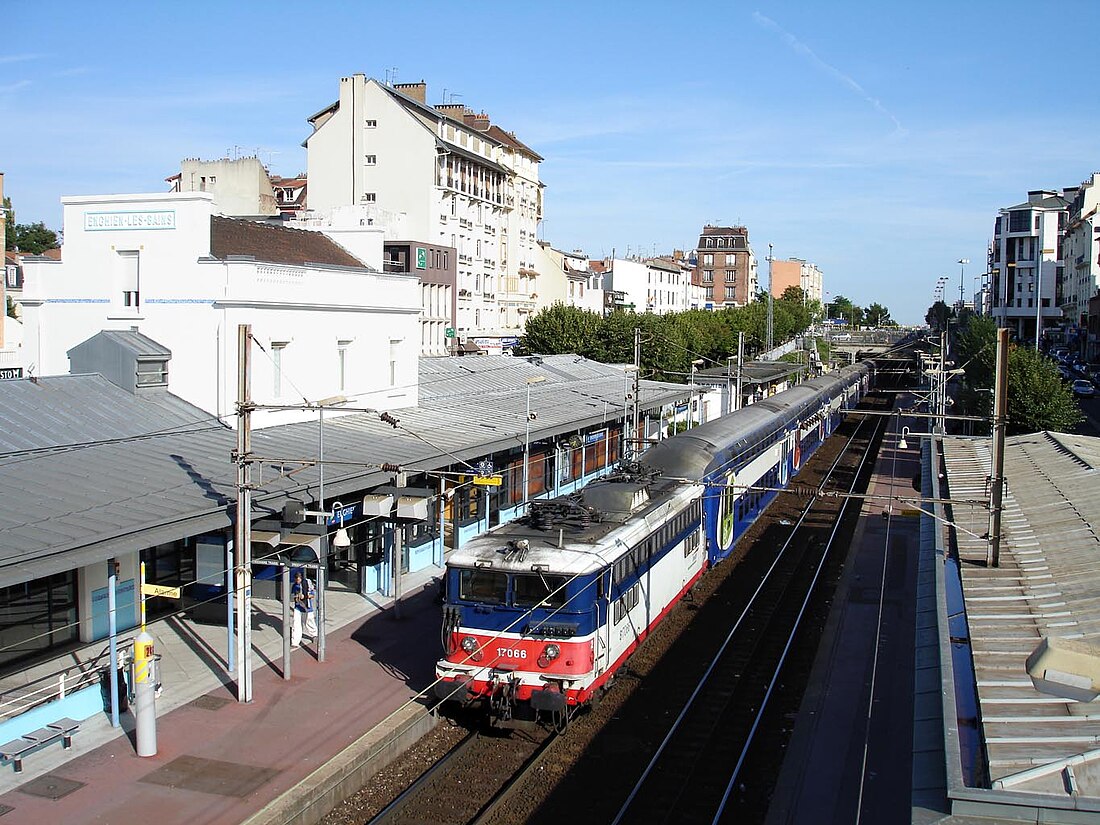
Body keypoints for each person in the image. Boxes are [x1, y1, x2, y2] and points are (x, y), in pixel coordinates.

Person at [290, 571, 317, 647]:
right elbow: (293, 595)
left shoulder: (307, 584)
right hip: (298, 607)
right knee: (296, 623)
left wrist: (304, 596)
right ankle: (295, 642)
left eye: (298, 579)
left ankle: (314, 634)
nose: (297, 581)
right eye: (296, 579)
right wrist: (296, 597)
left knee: (309, 621)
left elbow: (312, 595)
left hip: (306, 607)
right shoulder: (295, 586)